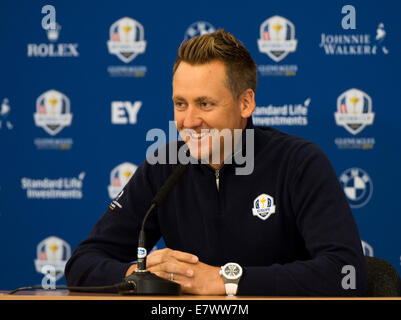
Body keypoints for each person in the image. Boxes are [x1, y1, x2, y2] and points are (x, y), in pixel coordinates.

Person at [65, 29, 366, 296]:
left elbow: (346, 273)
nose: (189, 121)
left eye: (205, 104)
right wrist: (137, 276)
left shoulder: (299, 163)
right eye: (180, 104)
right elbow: (82, 262)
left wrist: (227, 280)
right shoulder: (164, 166)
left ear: (245, 103)